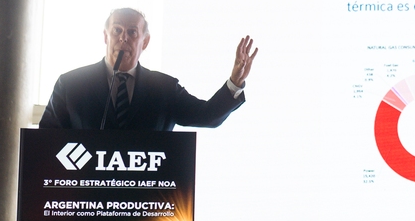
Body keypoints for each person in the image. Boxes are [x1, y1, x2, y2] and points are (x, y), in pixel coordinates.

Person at [39, 8, 257, 131]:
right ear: (105, 37)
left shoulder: (164, 88)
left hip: (146, 195)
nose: (123, 38)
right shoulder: (71, 85)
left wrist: (235, 82)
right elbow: (46, 141)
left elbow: (207, 116)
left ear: (145, 41)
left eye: (132, 32)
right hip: (85, 194)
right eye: (117, 30)